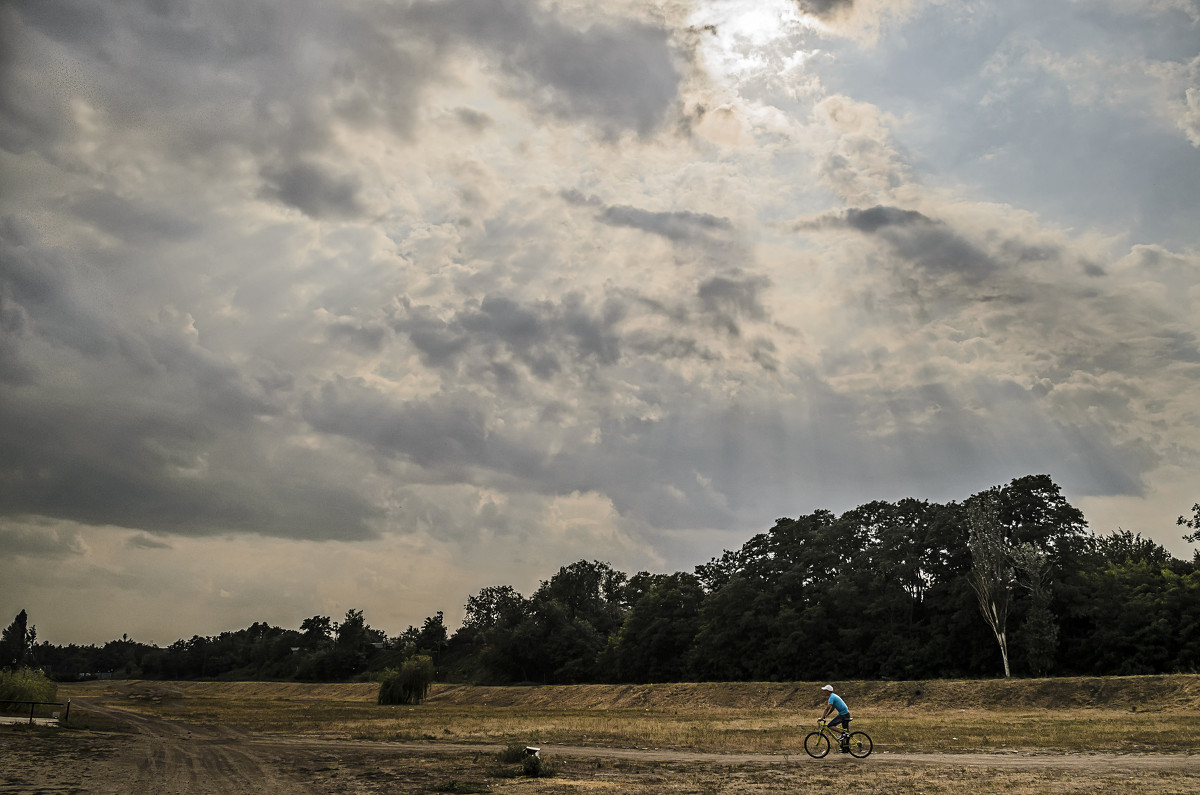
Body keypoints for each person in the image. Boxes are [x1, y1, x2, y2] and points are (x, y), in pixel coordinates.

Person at [820, 685, 852, 751]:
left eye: (825, 690)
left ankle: (843, 734)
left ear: (828, 691)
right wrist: (826, 716)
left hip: (843, 714)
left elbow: (827, 708)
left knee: (830, 725)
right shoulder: (834, 696)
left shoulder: (832, 697)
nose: (824, 692)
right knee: (846, 732)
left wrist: (822, 717)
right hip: (846, 714)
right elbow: (832, 709)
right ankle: (845, 748)